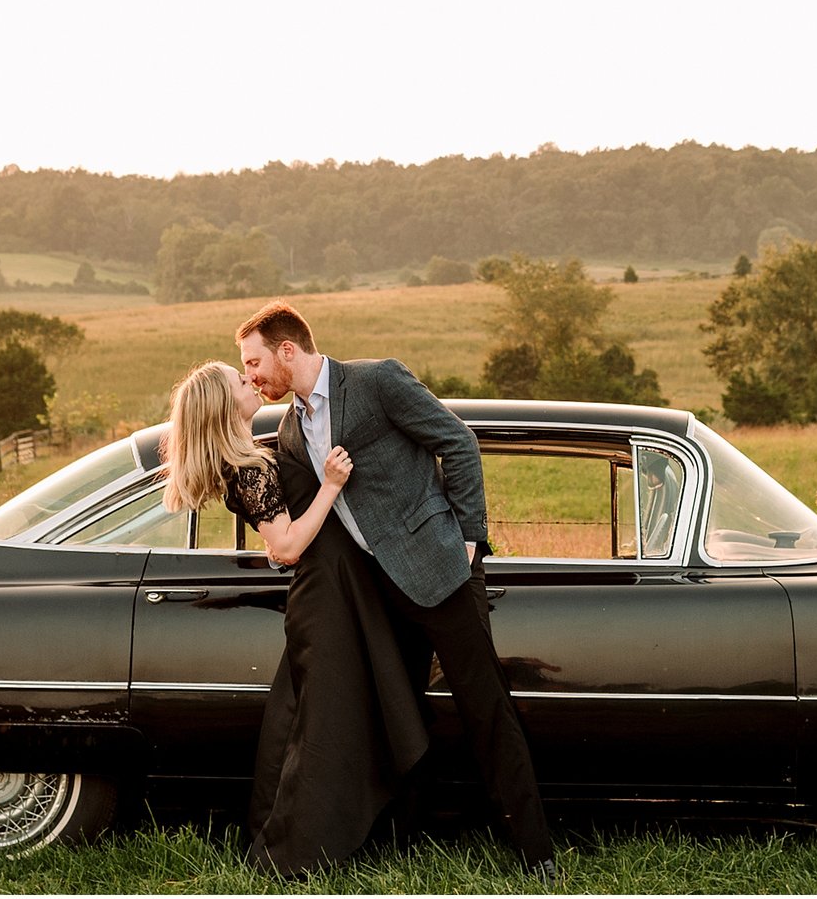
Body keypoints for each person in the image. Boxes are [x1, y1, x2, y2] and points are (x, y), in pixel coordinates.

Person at [235, 300, 556, 877]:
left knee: (486, 711)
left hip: (442, 573)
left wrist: (469, 540)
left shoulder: (377, 380)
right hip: (378, 593)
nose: (252, 375)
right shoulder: (288, 430)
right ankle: (407, 838)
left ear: (288, 350)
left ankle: (536, 853)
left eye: (255, 362)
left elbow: (456, 442)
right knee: (401, 715)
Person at [161, 360, 430, 876]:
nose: (251, 382)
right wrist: (330, 483)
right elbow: (284, 547)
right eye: (241, 382)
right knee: (330, 723)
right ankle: (298, 851)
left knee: (323, 718)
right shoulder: (250, 467)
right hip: (325, 594)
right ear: (223, 404)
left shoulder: (250, 456)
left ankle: (339, 831)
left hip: (336, 588)